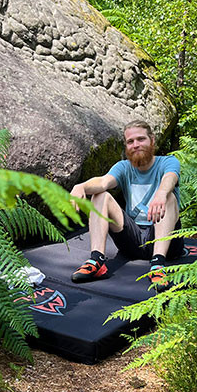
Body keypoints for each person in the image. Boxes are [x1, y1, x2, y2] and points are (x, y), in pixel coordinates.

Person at [69, 120, 183, 291]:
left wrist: (161, 193)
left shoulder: (167, 162)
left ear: (152, 140)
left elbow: (170, 178)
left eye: (141, 139)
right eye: (130, 142)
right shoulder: (124, 167)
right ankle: (97, 260)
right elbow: (103, 182)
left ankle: (158, 264)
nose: (135, 145)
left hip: (166, 240)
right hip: (134, 239)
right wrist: (81, 186)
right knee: (100, 196)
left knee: (169, 198)